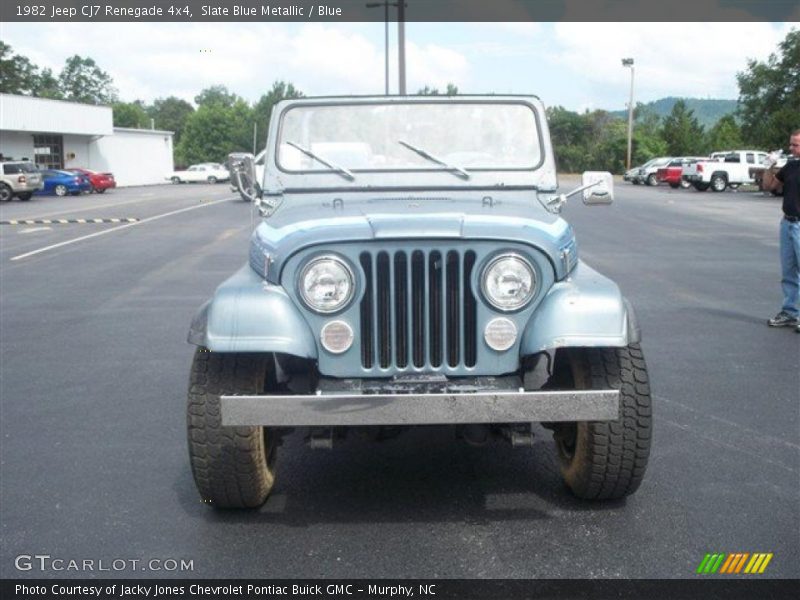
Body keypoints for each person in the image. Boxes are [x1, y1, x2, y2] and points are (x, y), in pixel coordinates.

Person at [766, 128, 800, 333]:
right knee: (788, 272)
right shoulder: (791, 166)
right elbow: (770, 186)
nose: (791, 148)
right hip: (787, 223)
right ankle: (789, 312)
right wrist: (769, 166)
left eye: (795, 144)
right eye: (791, 144)